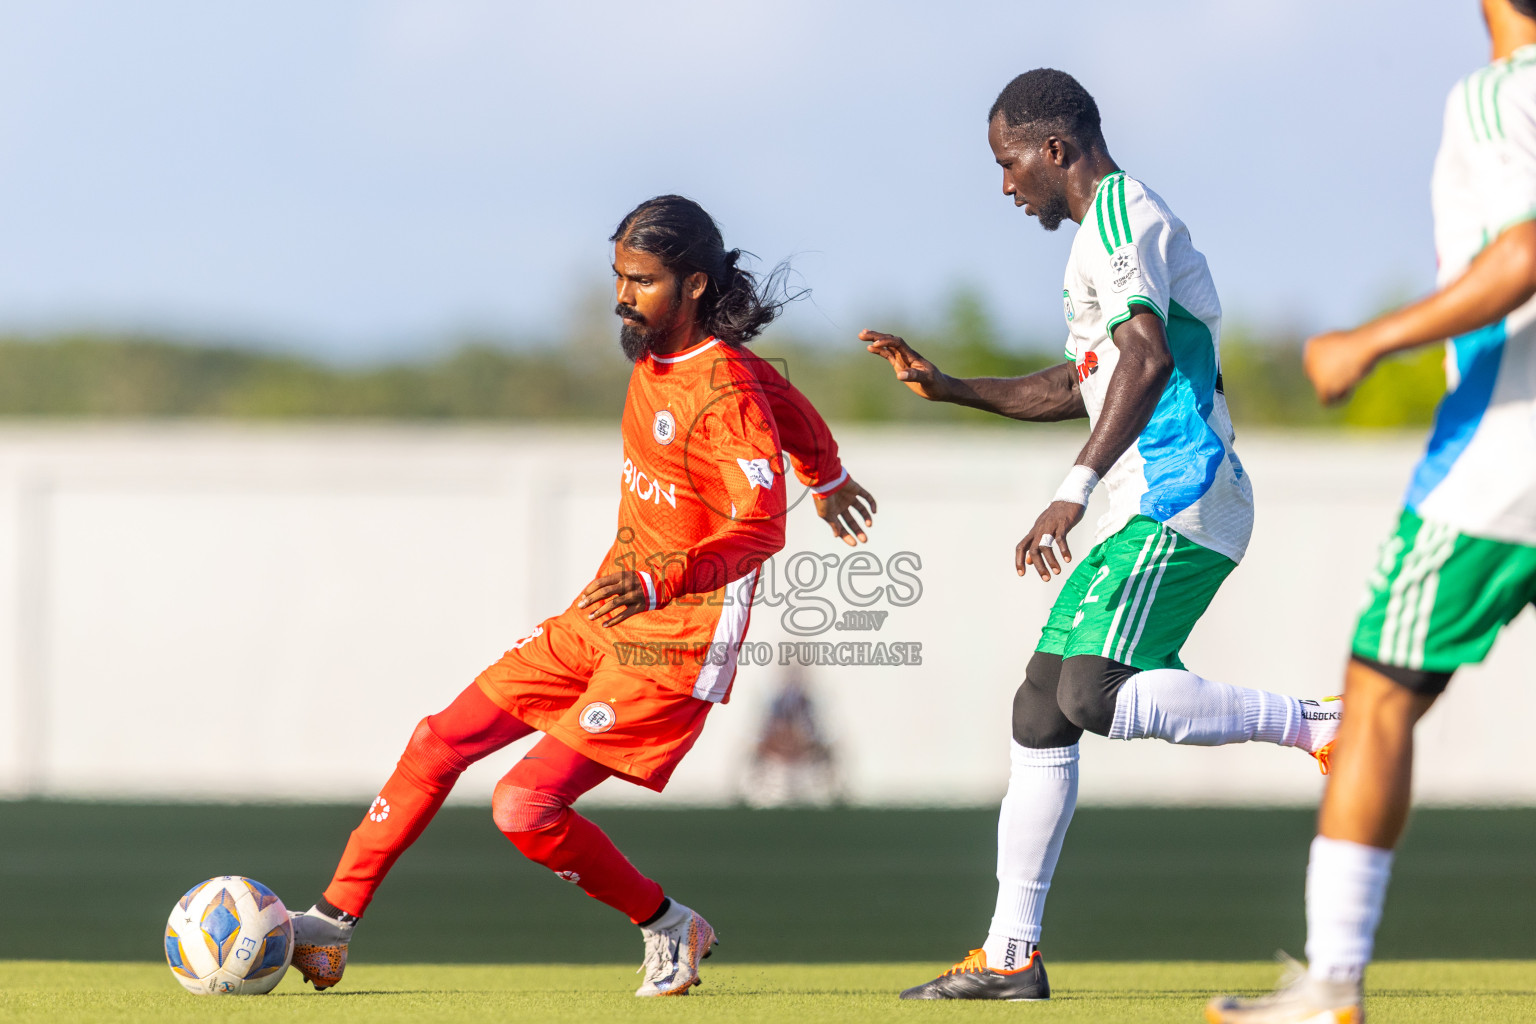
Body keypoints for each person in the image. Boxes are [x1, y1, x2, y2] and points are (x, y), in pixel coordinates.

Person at [286, 194, 878, 997]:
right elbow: (782, 397)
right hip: (606, 610)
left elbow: (761, 530)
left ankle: (672, 926)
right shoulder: (669, 360)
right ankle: (330, 923)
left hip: (676, 638)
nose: (622, 296)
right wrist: (828, 469)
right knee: (439, 741)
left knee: (523, 807)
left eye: (641, 281)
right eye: (618, 277)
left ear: (695, 285)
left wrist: (663, 576)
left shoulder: (723, 389)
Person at [864, 69, 1340, 1002]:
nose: (1005, 186)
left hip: (1179, 495)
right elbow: (1078, 384)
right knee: (1040, 709)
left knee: (1088, 690)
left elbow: (1149, 359)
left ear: (1054, 150)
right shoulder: (1098, 243)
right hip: (1144, 503)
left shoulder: (1122, 217)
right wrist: (953, 387)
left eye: (1008, 164)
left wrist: (1072, 490)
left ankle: (1321, 724)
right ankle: (1010, 956)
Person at [1207, 2, 1536, 1020]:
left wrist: (1368, 341)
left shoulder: (1502, 91)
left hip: (1508, 455)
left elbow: (1523, 253)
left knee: (1377, 691)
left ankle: (1333, 981)